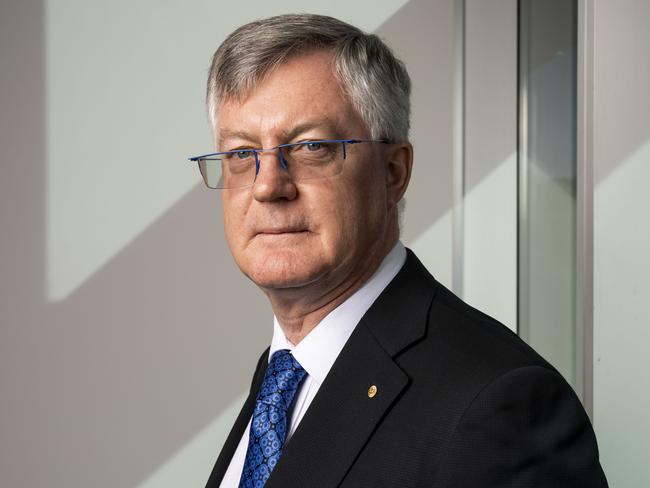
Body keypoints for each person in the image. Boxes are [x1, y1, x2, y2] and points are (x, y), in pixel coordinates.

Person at [190, 13, 608, 488]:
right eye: (242, 154)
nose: (269, 186)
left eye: (310, 148)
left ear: (393, 171)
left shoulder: (499, 405)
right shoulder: (283, 377)